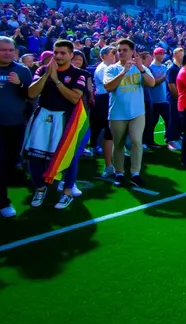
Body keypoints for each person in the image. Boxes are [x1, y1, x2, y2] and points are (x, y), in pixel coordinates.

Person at [24, 40, 86, 209]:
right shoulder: (42, 70)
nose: (58, 56)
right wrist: (46, 76)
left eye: (62, 53)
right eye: (55, 52)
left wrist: (56, 81)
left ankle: (67, 191)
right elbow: (31, 93)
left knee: (68, 156)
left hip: (66, 119)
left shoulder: (78, 73)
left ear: (71, 55)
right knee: (35, 155)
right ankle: (40, 188)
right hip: (43, 116)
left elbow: (74, 98)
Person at [104, 38, 155, 187]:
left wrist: (141, 68)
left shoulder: (140, 68)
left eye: (125, 50)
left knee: (136, 142)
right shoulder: (111, 69)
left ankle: (135, 173)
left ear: (132, 52)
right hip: (117, 113)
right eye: (119, 50)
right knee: (118, 144)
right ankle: (119, 172)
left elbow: (151, 83)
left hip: (137, 113)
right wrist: (123, 71)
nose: (121, 53)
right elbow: (108, 87)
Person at [0, 37, 32, 218]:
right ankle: (3, 202)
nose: (7, 53)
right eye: (3, 50)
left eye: (10, 50)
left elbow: (30, 95)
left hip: (16, 125)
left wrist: (19, 84)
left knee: (10, 164)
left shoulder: (22, 70)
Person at [91, 46, 116, 177]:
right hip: (104, 99)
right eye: (111, 54)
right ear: (103, 56)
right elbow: (111, 84)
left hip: (108, 98)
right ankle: (96, 147)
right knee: (106, 126)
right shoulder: (103, 69)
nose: (114, 57)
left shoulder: (110, 68)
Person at [148, 47, 170, 147]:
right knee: (152, 121)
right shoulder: (151, 68)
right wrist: (164, 77)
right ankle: (150, 141)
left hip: (163, 98)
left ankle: (168, 137)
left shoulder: (164, 67)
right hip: (154, 99)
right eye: (159, 53)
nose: (162, 55)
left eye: (162, 53)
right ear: (155, 55)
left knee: (168, 119)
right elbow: (153, 83)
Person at [166, 47, 184, 151]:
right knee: (173, 119)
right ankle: (171, 140)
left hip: (179, 99)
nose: (182, 57)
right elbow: (171, 85)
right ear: (174, 56)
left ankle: (176, 137)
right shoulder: (172, 69)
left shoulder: (179, 68)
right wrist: (179, 97)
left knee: (178, 119)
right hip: (173, 99)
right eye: (180, 55)